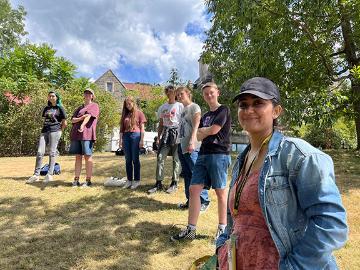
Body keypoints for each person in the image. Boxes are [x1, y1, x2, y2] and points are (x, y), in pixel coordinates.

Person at [216, 77, 348, 269]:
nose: (249, 110)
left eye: (258, 103)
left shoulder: (300, 155)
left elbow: (331, 224)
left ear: (276, 111)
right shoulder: (241, 159)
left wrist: (293, 266)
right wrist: (222, 247)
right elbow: (236, 217)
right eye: (243, 105)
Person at [171, 82, 231, 241]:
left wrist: (204, 131)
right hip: (203, 154)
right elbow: (198, 135)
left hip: (219, 154)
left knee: (220, 192)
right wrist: (203, 132)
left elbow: (214, 130)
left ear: (217, 92)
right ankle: (191, 230)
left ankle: (222, 229)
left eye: (211, 92)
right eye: (206, 94)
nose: (209, 96)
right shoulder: (205, 116)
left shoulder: (223, 110)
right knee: (193, 189)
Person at [176, 86, 210, 211]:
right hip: (182, 146)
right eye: (177, 95)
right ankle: (190, 201)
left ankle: (204, 201)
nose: (179, 96)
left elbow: (196, 125)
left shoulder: (194, 107)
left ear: (188, 94)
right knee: (187, 174)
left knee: (197, 173)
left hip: (192, 145)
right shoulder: (183, 110)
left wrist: (192, 141)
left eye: (181, 94)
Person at [148, 85, 184, 194]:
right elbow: (161, 124)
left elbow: (184, 122)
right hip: (166, 134)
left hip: (177, 134)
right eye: (168, 92)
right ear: (166, 93)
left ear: (175, 93)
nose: (170, 94)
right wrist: (158, 138)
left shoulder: (180, 106)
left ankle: (174, 183)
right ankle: (158, 183)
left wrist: (183, 137)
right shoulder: (162, 107)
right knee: (160, 157)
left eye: (172, 92)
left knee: (176, 159)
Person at [26, 91, 67, 184]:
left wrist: (60, 131)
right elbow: (45, 119)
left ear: (56, 97)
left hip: (55, 131)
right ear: (48, 98)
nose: (51, 97)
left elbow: (64, 123)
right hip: (44, 131)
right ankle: (36, 175)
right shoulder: (46, 108)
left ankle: (49, 174)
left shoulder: (60, 108)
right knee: (40, 152)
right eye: (50, 96)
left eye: (53, 96)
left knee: (52, 152)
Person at [69, 88, 100, 187]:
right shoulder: (79, 108)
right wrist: (81, 118)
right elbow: (72, 120)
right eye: (85, 93)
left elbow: (89, 116)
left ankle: (88, 180)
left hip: (87, 134)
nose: (87, 94)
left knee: (87, 156)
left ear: (92, 96)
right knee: (78, 156)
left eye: (89, 93)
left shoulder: (94, 106)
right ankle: (76, 180)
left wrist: (82, 125)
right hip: (76, 135)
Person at [119, 96, 147, 190]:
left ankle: (137, 180)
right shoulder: (125, 114)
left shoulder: (139, 113)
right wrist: (120, 140)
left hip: (136, 136)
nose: (128, 105)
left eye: (129, 103)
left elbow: (142, 127)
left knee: (135, 159)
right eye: (126, 104)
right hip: (126, 137)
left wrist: (142, 139)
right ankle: (129, 180)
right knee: (128, 160)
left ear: (133, 103)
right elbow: (121, 129)